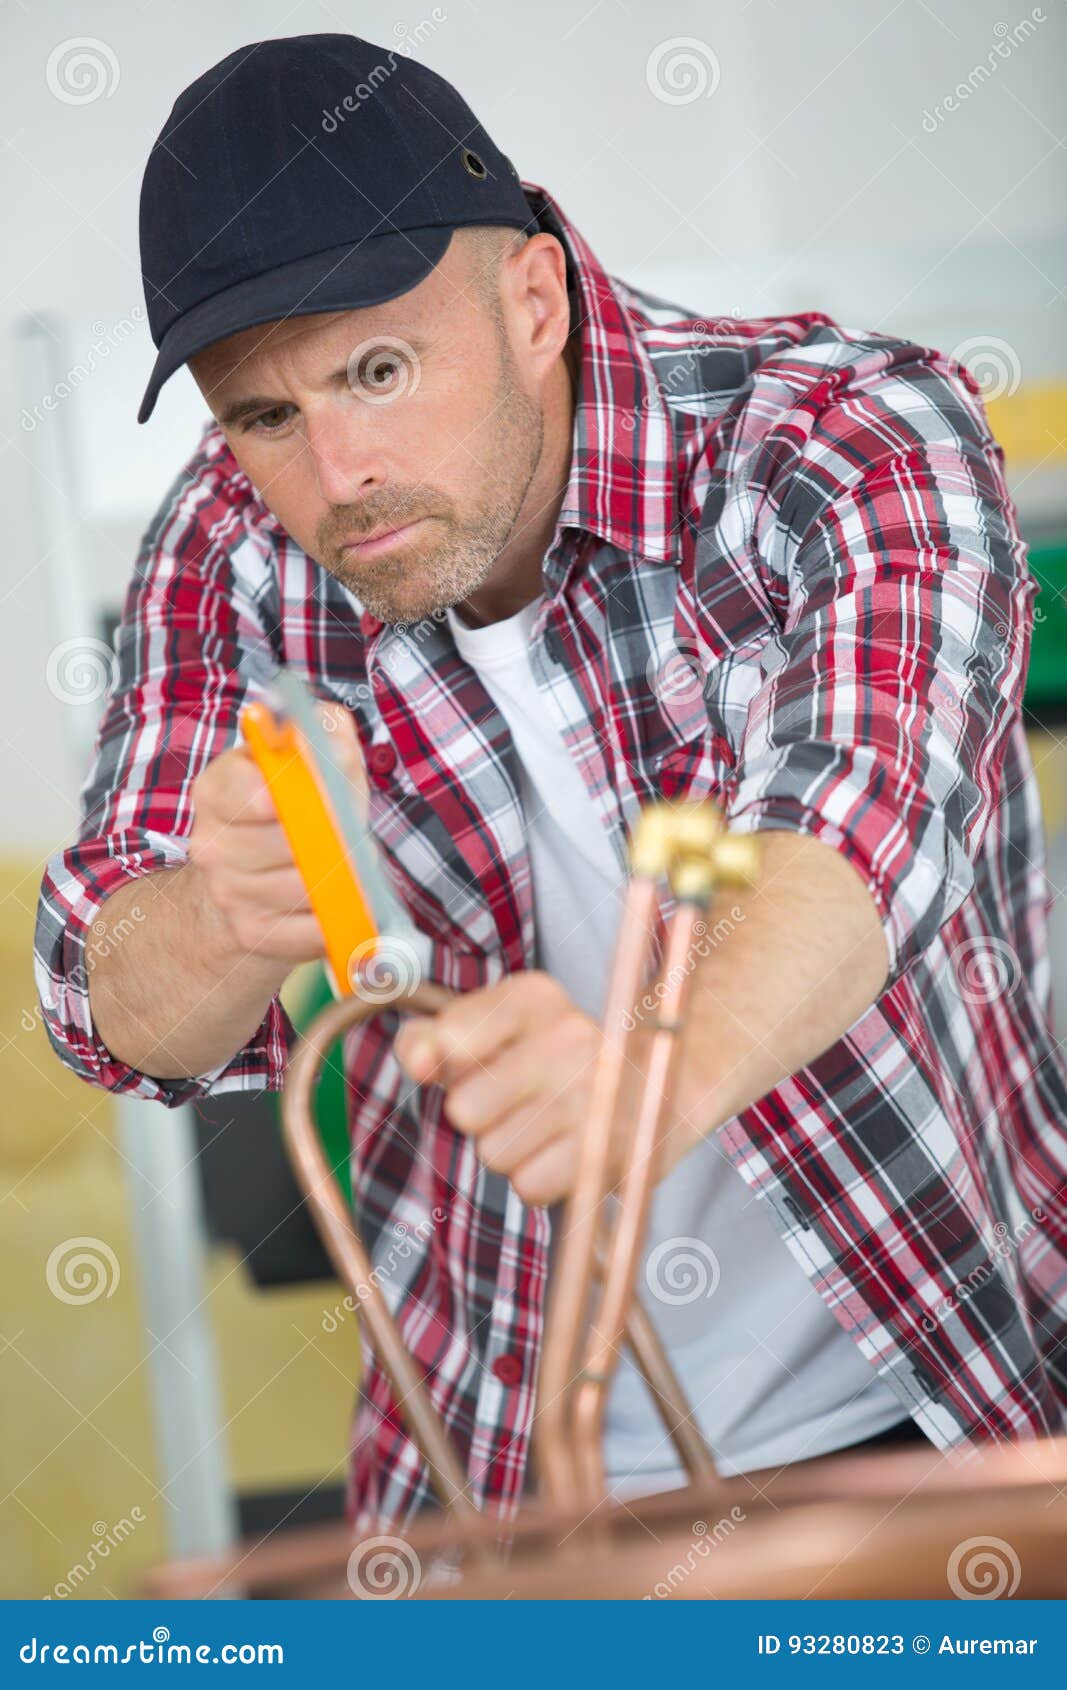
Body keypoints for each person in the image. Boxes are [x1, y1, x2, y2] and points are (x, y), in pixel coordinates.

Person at [34, 33, 1067, 1536]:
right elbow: (98, 994)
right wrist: (221, 914)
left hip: (951, 1417)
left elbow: (867, 824)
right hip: (493, 1490)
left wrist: (638, 1078)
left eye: (379, 371)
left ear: (535, 302)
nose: (339, 474)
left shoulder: (846, 439)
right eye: (265, 416)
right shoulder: (230, 549)